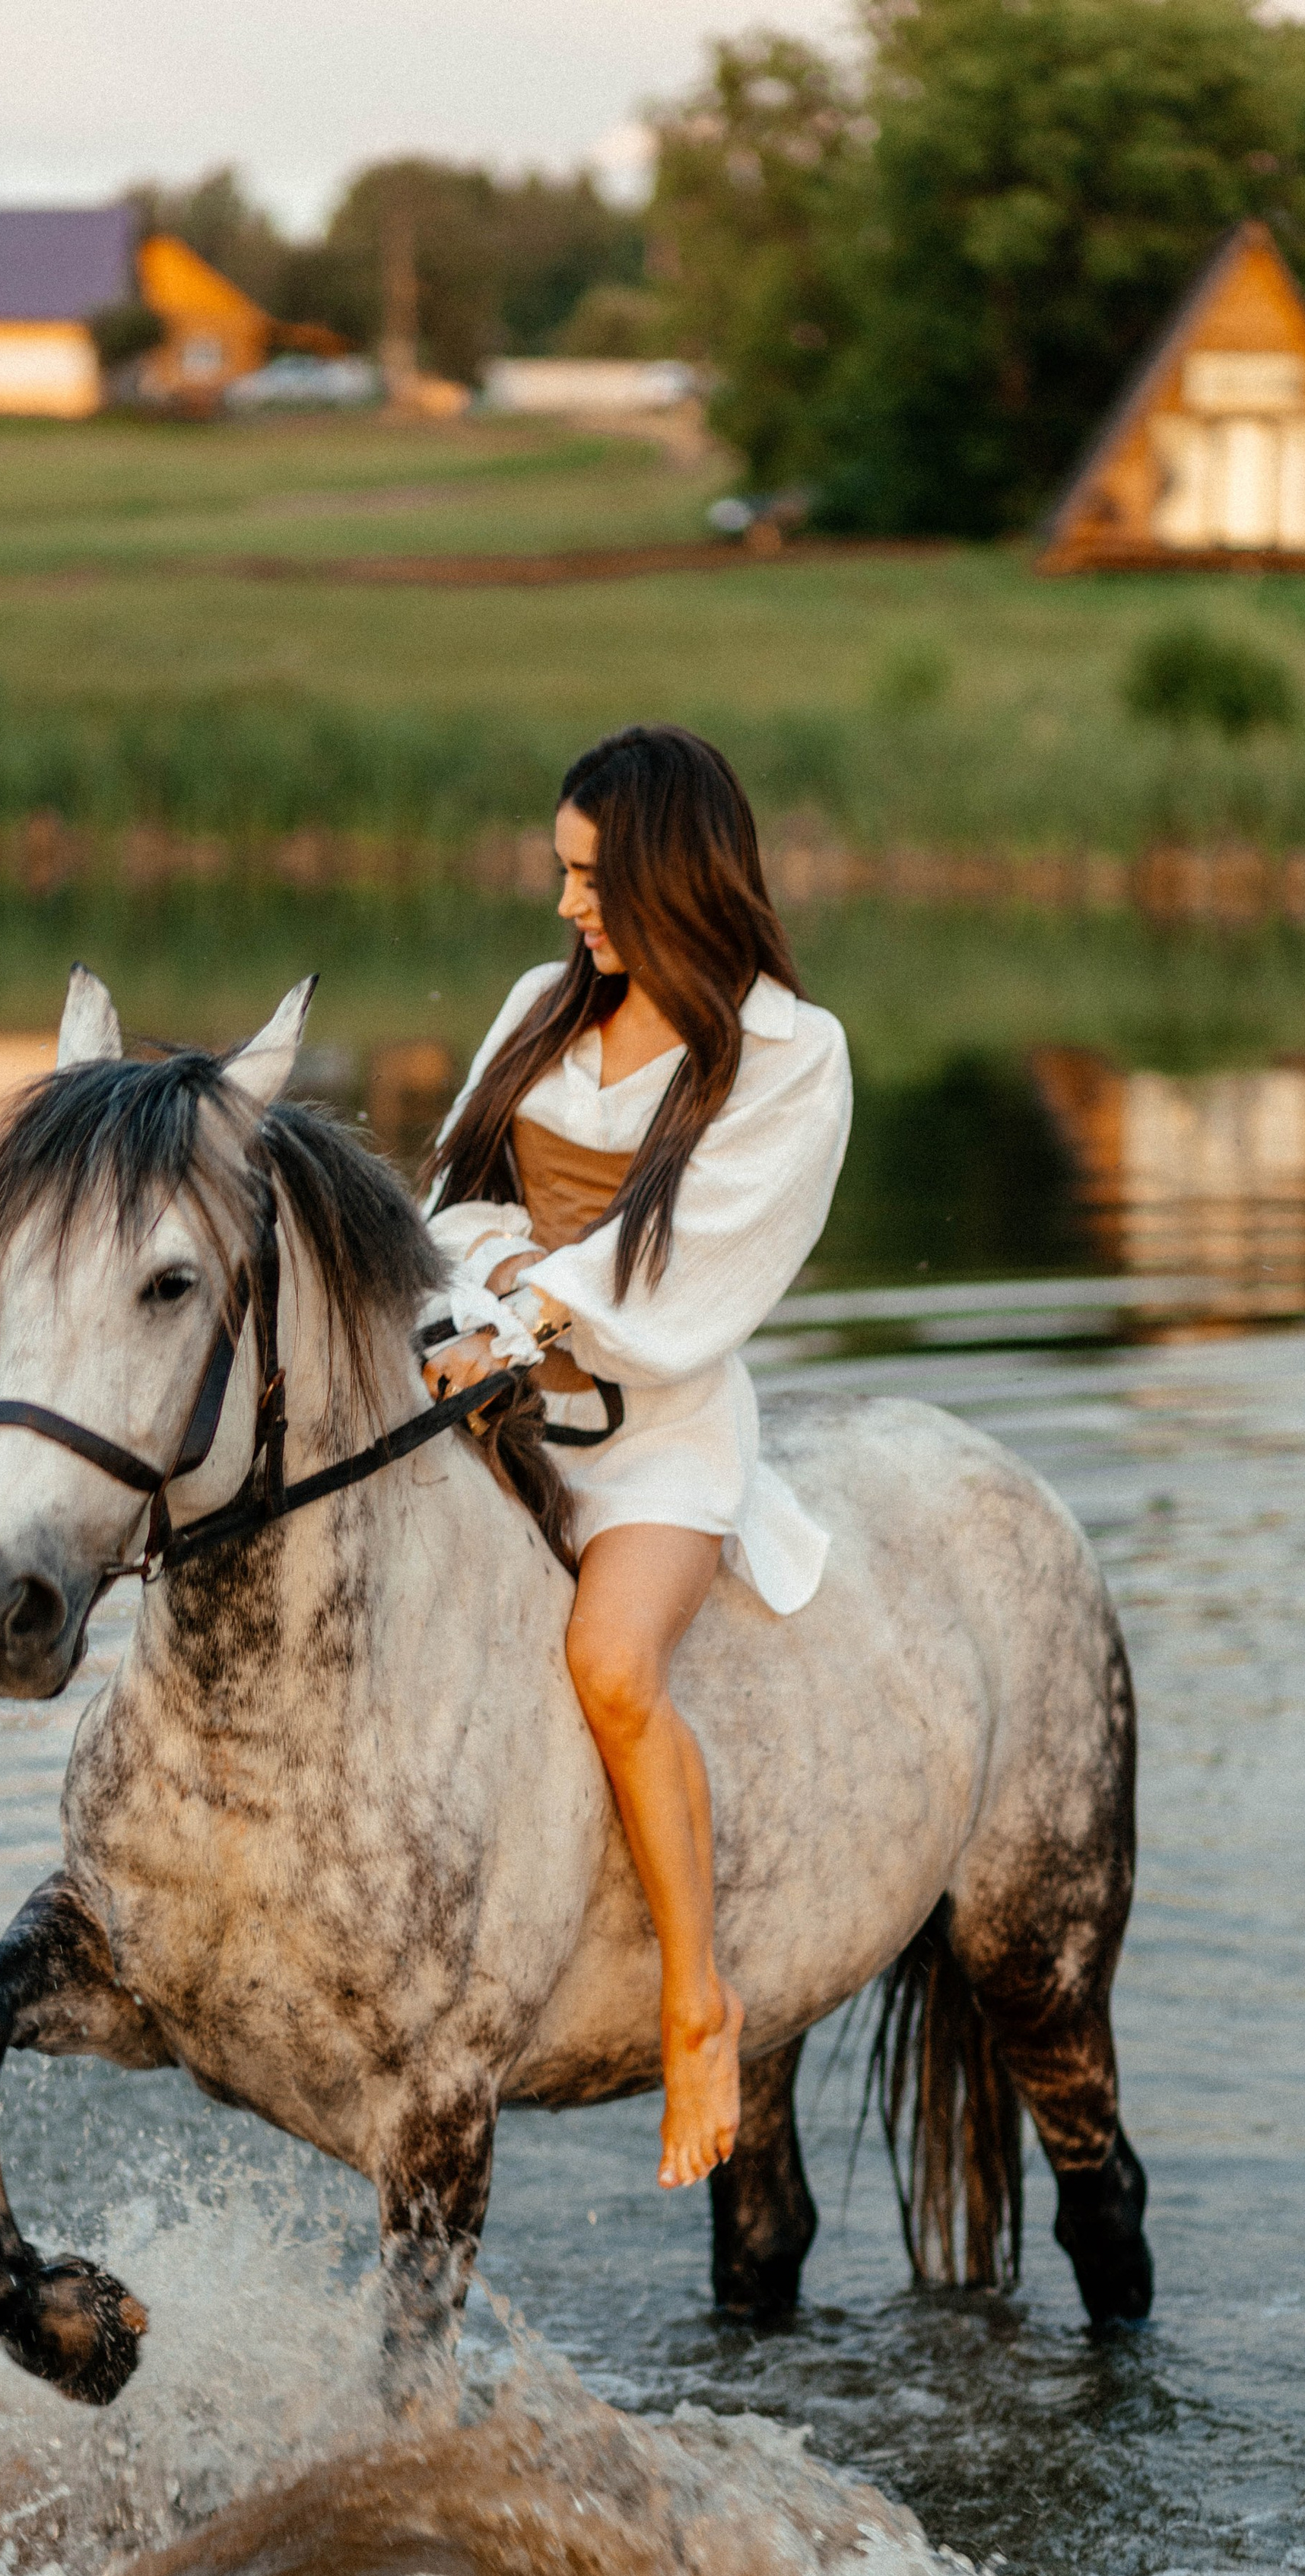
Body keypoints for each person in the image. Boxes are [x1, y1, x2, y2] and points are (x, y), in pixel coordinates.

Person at [420, 724, 852, 2190]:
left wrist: (536, 1304)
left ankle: (696, 2000)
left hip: (658, 1437)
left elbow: (703, 1271)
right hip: (505, 1416)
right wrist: (481, 1307)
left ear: (674, 872)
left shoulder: (790, 1055)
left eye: (591, 876)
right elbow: (451, 1200)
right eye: (560, 872)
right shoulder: (540, 1009)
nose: (566, 907)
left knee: (611, 1665)